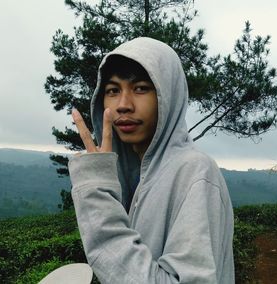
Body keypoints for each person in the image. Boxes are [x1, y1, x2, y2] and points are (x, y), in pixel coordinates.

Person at [69, 37, 234, 283]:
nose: (123, 105)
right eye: (113, 91)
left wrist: (95, 197)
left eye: (141, 88)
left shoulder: (195, 171)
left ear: (168, 96)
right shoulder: (137, 175)